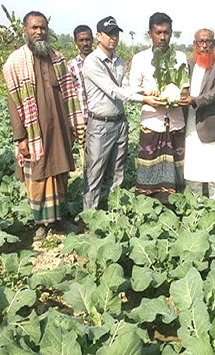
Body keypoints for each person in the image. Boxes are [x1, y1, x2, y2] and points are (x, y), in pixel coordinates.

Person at [2, 11, 85, 240]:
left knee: (59, 174)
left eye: (43, 28)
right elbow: (13, 103)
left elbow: (70, 96)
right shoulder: (15, 63)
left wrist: (73, 127)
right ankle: (41, 222)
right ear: (25, 31)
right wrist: (21, 138)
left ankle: (58, 219)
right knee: (37, 177)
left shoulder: (57, 59)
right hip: (33, 133)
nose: (39, 32)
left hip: (58, 130)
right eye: (34, 28)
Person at [82, 16, 163, 210]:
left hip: (120, 122)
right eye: (109, 34)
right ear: (99, 36)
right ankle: (89, 215)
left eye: (116, 34)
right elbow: (113, 90)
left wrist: (145, 91)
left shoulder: (118, 61)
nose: (113, 38)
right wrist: (144, 99)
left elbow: (124, 86)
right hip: (100, 124)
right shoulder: (92, 62)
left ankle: (113, 211)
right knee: (95, 172)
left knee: (118, 169)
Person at [130, 12, 188, 204]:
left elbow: (185, 88)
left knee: (177, 168)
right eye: (158, 33)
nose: (163, 37)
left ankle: (175, 206)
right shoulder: (140, 59)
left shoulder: (180, 57)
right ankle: (149, 207)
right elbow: (132, 91)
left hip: (175, 122)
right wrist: (147, 96)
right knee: (150, 167)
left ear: (171, 33)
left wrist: (179, 97)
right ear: (150, 34)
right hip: (152, 121)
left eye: (166, 32)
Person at [179, 28, 215, 200]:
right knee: (193, 164)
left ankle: (214, 200)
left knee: (213, 166)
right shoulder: (187, 65)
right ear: (194, 44)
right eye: (200, 42)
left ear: (214, 43)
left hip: (210, 123)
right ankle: (196, 200)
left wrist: (195, 100)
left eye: (208, 41)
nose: (204, 46)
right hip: (189, 122)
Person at [68, 25, 93, 129]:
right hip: (82, 118)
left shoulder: (100, 61)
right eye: (81, 40)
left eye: (87, 40)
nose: (85, 44)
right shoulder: (72, 65)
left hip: (101, 118)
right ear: (76, 42)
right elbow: (71, 93)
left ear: (92, 40)